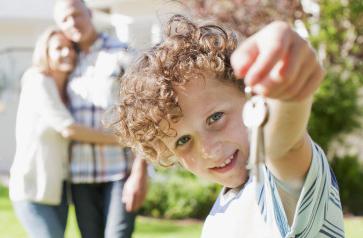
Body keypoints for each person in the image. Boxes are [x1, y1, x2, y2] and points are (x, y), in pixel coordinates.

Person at [112, 15, 344, 237]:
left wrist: (288, 83)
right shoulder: (222, 211)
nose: (209, 150)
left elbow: (286, 145)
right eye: (183, 140)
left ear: (249, 96)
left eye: (215, 118)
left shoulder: (276, 183)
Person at [9, 28, 120, 238]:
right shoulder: (37, 80)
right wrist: (119, 140)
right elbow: (68, 128)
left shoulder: (69, 90)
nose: (66, 52)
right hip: (31, 189)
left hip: (57, 191)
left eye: (70, 48)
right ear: (45, 53)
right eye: (58, 48)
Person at [53, 0, 148, 237]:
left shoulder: (121, 53)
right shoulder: (66, 62)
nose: (72, 22)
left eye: (76, 14)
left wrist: (140, 171)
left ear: (89, 13)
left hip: (120, 171)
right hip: (80, 175)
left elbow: (144, 114)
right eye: (65, 19)